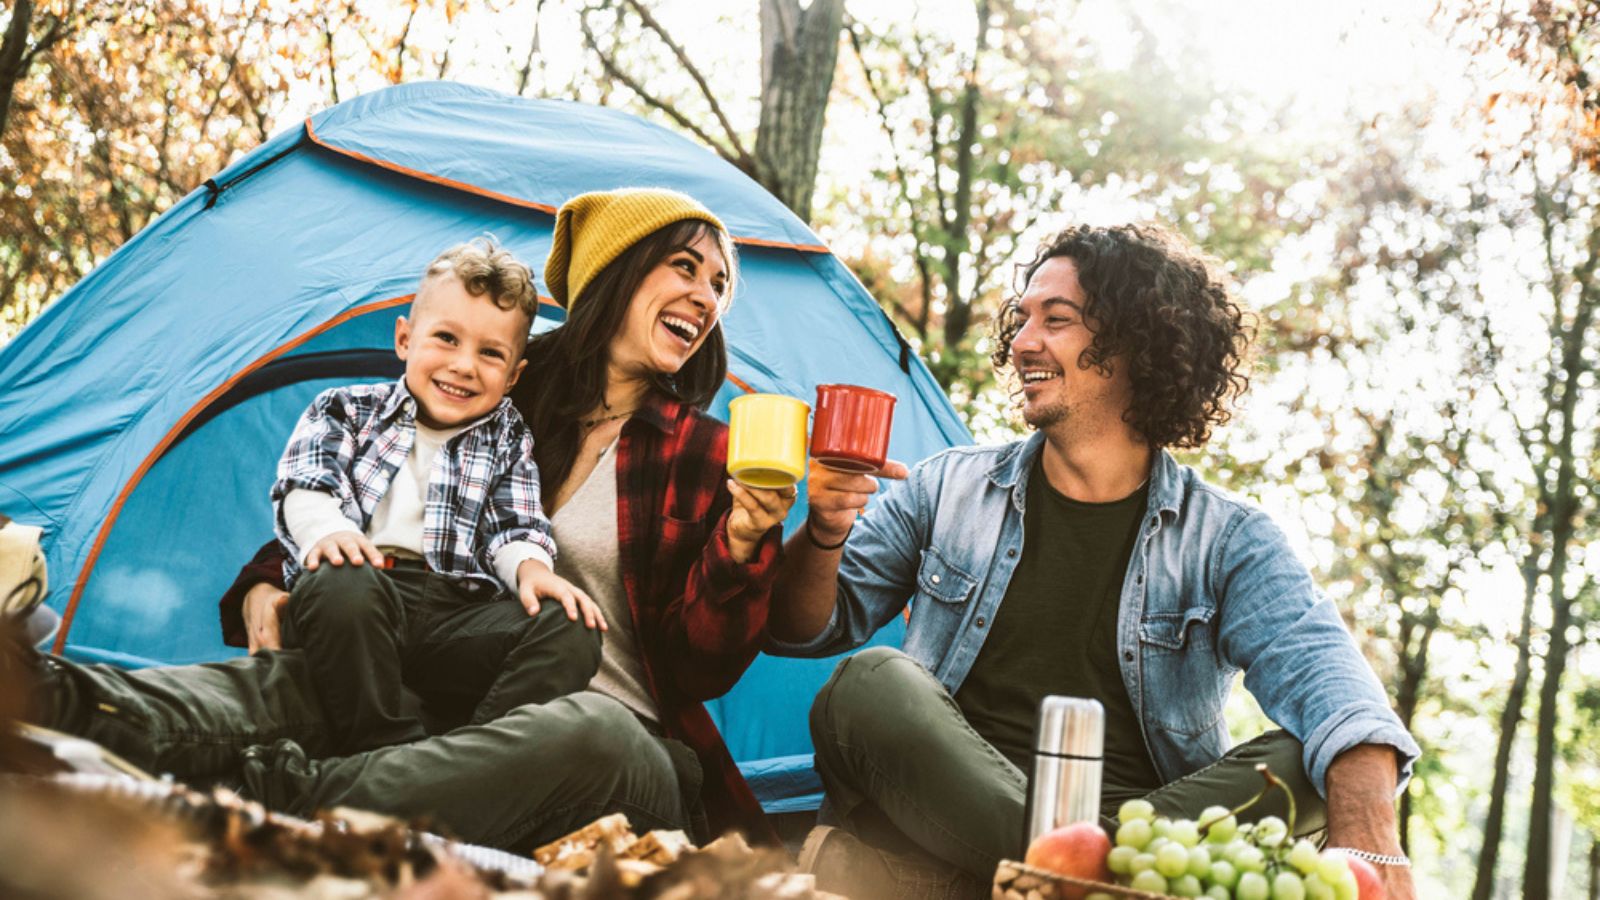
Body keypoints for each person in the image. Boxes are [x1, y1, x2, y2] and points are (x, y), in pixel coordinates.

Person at [11, 188, 797, 849]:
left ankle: (265, 794)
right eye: (685, 267)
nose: (707, 295)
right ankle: (52, 696)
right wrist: (267, 578)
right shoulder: (500, 388)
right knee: (281, 680)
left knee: (597, 734)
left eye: (720, 285)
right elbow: (364, 492)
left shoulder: (708, 454)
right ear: (615, 274)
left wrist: (742, 541)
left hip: (591, 733)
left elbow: (701, 671)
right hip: (430, 683)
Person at [770, 224, 1421, 899]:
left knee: (1313, 760)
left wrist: (1374, 844)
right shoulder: (946, 488)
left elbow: (1338, 691)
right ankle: (1085, 881)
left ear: (1138, 347)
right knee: (870, 680)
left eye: (1057, 320)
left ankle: (1028, 880)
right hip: (952, 805)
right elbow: (802, 628)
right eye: (1021, 320)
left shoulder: (1229, 539)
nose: (1022, 343)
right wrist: (822, 533)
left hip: (1147, 822)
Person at [271, 237, 602, 755]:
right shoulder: (347, 409)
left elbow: (514, 527)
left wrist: (533, 570)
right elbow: (307, 486)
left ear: (514, 375)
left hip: (455, 616)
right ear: (404, 338)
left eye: (491, 354)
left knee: (570, 626)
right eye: (446, 338)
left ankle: (467, 762)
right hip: (363, 594)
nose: (465, 365)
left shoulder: (507, 438)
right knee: (340, 587)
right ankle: (388, 751)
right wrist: (330, 532)